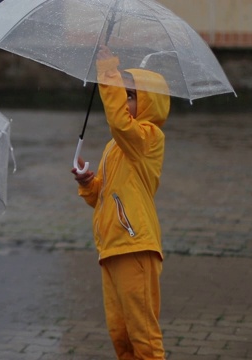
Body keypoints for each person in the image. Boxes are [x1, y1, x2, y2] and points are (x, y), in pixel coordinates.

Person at [71, 45, 170, 360]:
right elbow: (106, 195)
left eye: (131, 95)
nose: (124, 101)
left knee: (143, 335)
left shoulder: (147, 136)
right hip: (111, 247)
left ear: (150, 103)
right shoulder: (117, 145)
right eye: (123, 94)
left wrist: (108, 71)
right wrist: (89, 184)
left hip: (135, 246)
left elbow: (119, 122)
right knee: (121, 333)